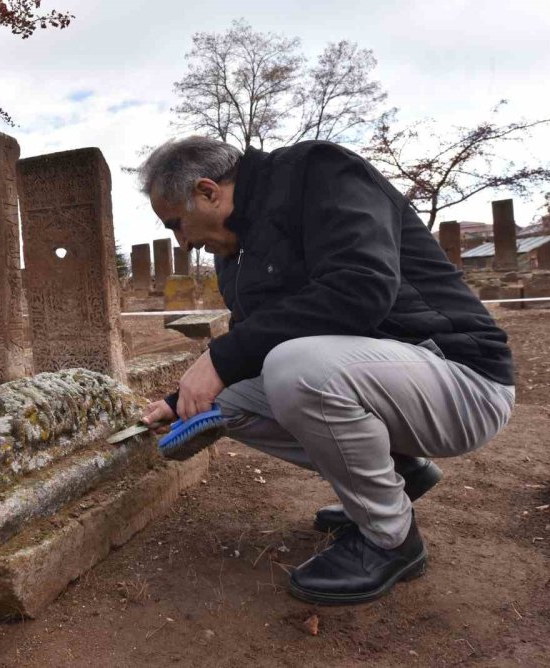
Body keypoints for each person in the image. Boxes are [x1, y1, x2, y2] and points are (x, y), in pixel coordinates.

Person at [138, 137, 515, 605]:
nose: (183, 241)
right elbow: (254, 343)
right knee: (225, 404)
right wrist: (181, 402)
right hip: (388, 384)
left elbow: (361, 289)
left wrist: (218, 358)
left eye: (176, 223)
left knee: (296, 369)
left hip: (461, 379)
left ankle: (390, 541)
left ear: (208, 191)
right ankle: (397, 471)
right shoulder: (234, 253)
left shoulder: (319, 171)